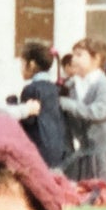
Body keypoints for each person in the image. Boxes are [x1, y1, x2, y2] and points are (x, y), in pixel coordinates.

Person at [59, 37, 106, 186]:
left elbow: (98, 112)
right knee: (85, 187)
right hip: (85, 148)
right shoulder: (72, 85)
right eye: (73, 55)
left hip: (105, 149)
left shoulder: (105, 85)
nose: (74, 59)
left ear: (96, 59)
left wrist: (68, 104)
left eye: (79, 55)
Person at [16, 40, 67, 168]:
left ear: (31, 65)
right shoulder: (54, 88)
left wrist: (14, 105)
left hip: (39, 148)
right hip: (58, 148)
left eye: (22, 64)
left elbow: (28, 119)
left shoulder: (31, 90)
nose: (21, 68)